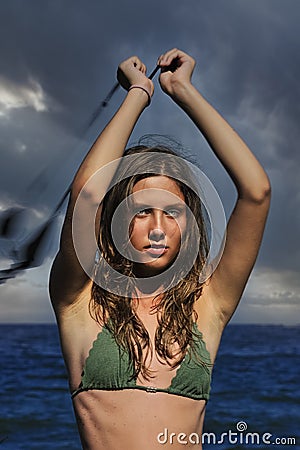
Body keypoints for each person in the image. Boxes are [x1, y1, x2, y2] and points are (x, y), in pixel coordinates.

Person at [49, 48, 271, 449]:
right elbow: (87, 195)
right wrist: (139, 92)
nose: (157, 228)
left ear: (190, 223)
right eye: (140, 212)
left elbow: (256, 193)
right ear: (115, 221)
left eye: (173, 212)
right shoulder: (80, 299)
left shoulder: (209, 303)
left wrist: (183, 90)